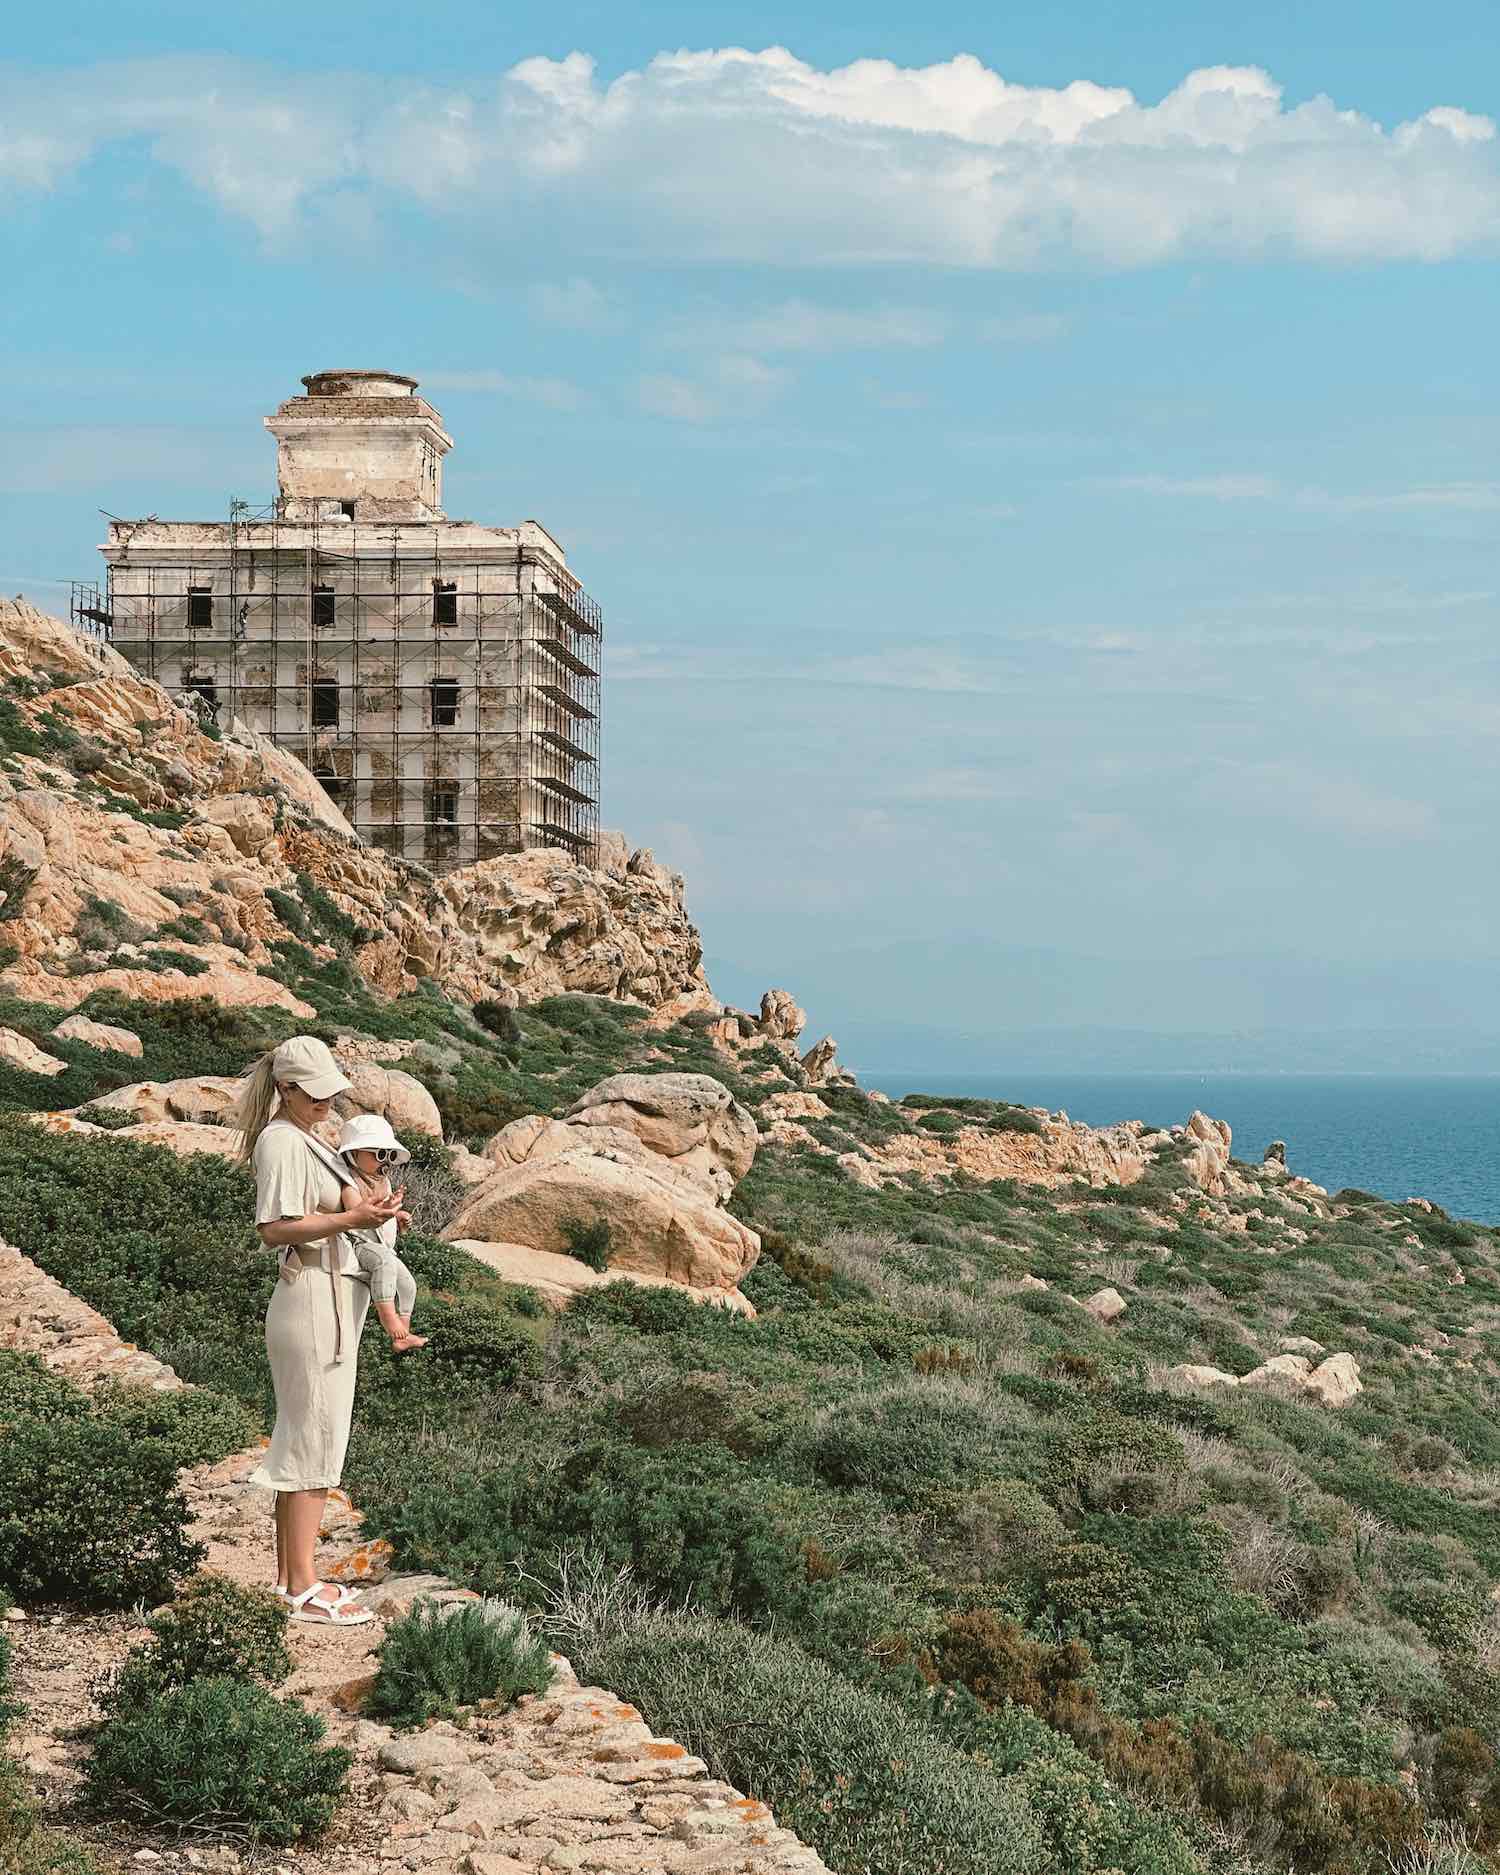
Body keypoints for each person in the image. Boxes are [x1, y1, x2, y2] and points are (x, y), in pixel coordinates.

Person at [232, 1035, 400, 1626]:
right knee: (315, 1443)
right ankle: (304, 1586)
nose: (329, 1101)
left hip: (326, 1302)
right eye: (317, 1093)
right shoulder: (282, 1142)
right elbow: (275, 1228)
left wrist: (370, 1215)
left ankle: (289, 1578)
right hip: (311, 1303)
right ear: (286, 1088)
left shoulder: (308, 1138)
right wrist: (355, 1218)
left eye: (332, 1090)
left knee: (305, 1438)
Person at [335, 1113, 426, 1354]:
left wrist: (397, 1214)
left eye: (389, 1155)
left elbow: (385, 1211)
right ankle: (389, 1320)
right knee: (384, 1264)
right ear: (353, 1154)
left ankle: (402, 1336)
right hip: (361, 1244)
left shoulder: (381, 1181)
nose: (384, 1161)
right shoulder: (350, 1181)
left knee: (408, 1284)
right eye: (378, 1154)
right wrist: (383, 1210)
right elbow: (356, 1212)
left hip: (384, 1247)